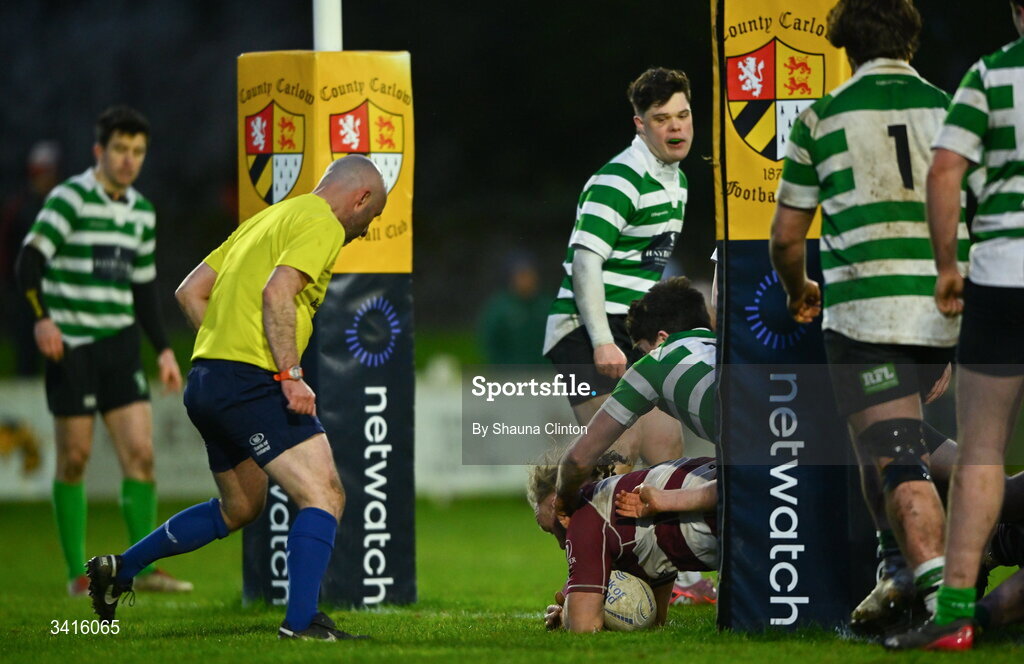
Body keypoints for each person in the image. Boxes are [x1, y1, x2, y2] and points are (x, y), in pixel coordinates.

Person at [85, 155, 387, 642]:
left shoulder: (266, 220)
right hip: (250, 381)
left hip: (208, 379)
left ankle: (119, 569)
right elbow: (278, 292)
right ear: (361, 198)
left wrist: (229, 348)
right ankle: (301, 622)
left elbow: (190, 292)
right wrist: (288, 373)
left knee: (241, 506)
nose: (365, 231)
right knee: (324, 493)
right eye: (369, 220)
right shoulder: (323, 222)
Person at [769, 0, 962, 630]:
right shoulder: (949, 107)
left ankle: (943, 606)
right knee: (876, 444)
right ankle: (896, 569)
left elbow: (787, 238)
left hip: (867, 318)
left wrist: (798, 288)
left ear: (844, 46)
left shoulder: (823, 116)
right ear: (911, 38)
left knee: (898, 452)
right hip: (939, 311)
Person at [885, 0, 1024, 650]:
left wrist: (947, 265)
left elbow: (945, 171)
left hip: (999, 276)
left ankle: (958, 611)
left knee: (983, 450)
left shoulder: (991, 77)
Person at [13, 107, 189, 596]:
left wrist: (164, 351)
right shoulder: (69, 199)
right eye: (120, 149)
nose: (129, 160)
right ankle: (78, 574)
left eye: (137, 151)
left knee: (142, 456)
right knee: (75, 459)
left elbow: (144, 289)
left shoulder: (141, 212)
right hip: (71, 349)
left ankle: (143, 568)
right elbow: (28, 263)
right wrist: (42, 318)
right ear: (99, 151)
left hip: (119, 349)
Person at [544, 67, 694, 472]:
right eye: (662, 120)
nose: (676, 127)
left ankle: (662, 538)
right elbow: (585, 261)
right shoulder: (620, 178)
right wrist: (601, 340)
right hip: (583, 328)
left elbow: (644, 270)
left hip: (631, 329)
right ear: (640, 125)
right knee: (617, 452)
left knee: (667, 449)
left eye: (682, 115)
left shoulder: (676, 182)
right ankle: (584, 531)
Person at [556, 276, 718, 604]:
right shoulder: (727, 349)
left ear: (660, 339)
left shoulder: (653, 365)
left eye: (640, 351)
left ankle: (602, 587)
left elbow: (578, 459)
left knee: (638, 501)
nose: (640, 358)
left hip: (770, 491)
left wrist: (565, 499)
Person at [530, 455, 718, 632]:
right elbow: (655, 619)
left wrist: (567, 617)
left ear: (557, 504)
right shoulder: (628, 530)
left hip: (732, 506)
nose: (563, 545)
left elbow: (583, 626)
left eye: (553, 531)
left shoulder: (585, 513)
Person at [1, 140, 61, 376]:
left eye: (46, 172)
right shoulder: (19, 208)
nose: (42, 178)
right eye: (38, 173)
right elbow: (6, 250)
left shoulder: (63, 207)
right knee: (26, 353)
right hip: (25, 294)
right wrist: (8, 286)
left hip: (57, 294)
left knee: (59, 357)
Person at [478, 251, 549, 365]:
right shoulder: (500, 309)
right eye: (521, 275)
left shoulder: (546, 307)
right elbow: (490, 344)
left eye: (529, 275)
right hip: (510, 376)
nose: (526, 280)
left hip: (543, 375)